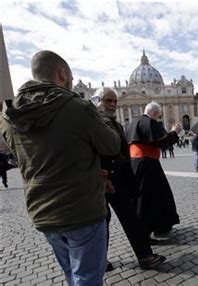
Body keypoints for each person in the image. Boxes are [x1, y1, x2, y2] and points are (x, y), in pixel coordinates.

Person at [0, 50, 120, 285]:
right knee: (87, 278)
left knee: (72, 275)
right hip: (81, 210)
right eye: (71, 78)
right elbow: (111, 145)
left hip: (42, 211)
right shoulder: (77, 107)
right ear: (63, 74)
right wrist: (102, 118)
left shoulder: (8, 115)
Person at [91, 88, 166, 271]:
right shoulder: (93, 121)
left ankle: (145, 256)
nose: (113, 105)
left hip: (117, 176)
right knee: (104, 221)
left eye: (115, 101)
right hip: (102, 178)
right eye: (108, 100)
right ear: (97, 101)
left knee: (130, 217)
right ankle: (102, 260)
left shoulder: (109, 121)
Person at [126, 101, 181, 237]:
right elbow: (163, 142)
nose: (158, 118)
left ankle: (154, 225)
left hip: (135, 163)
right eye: (158, 115)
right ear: (155, 113)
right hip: (148, 164)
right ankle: (152, 227)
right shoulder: (149, 123)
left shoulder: (131, 123)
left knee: (145, 195)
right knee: (154, 196)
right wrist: (175, 132)